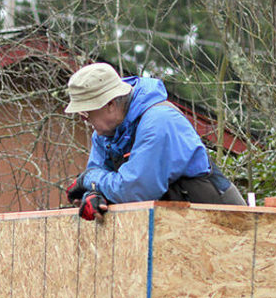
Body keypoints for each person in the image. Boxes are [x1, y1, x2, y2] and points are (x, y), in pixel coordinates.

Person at [64, 62, 246, 220]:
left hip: (221, 221)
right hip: (176, 224)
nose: (83, 119)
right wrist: (94, 196)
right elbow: (98, 176)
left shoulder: (158, 121)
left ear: (110, 104)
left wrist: (89, 180)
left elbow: (135, 190)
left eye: (87, 111)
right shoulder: (104, 133)